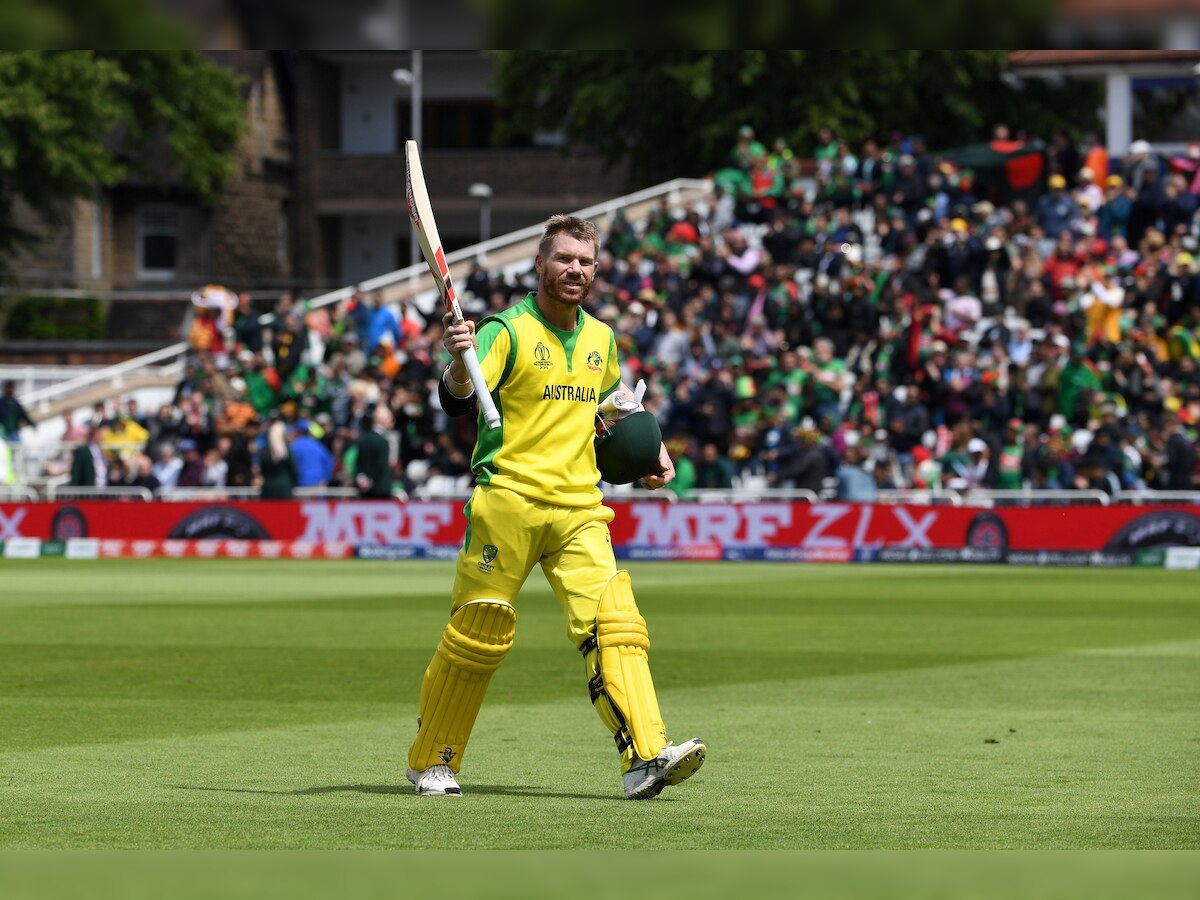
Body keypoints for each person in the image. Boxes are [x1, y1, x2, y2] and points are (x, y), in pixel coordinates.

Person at [407, 215, 705, 800]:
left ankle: (645, 757)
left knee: (616, 625)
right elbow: (456, 397)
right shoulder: (503, 330)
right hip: (508, 500)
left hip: (579, 508)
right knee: (478, 631)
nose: (576, 270)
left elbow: (614, 405)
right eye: (564, 258)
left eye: (586, 262)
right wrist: (457, 360)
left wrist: (654, 451)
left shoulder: (601, 337)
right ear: (540, 264)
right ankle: (433, 761)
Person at [355, 404, 395, 498]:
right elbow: (381, 465)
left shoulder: (364, 439)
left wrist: (362, 480)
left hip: (364, 492)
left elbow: (359, 464)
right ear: (382, 420)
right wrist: (371, 482)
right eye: (390, 418)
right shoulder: (383, 441)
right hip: (380, 491)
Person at [260, 419, 297, 499]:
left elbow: (262, 470)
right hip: (284, 487)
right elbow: (293, 469)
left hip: (269, 487)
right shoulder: (285, 451)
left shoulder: (265, 451)